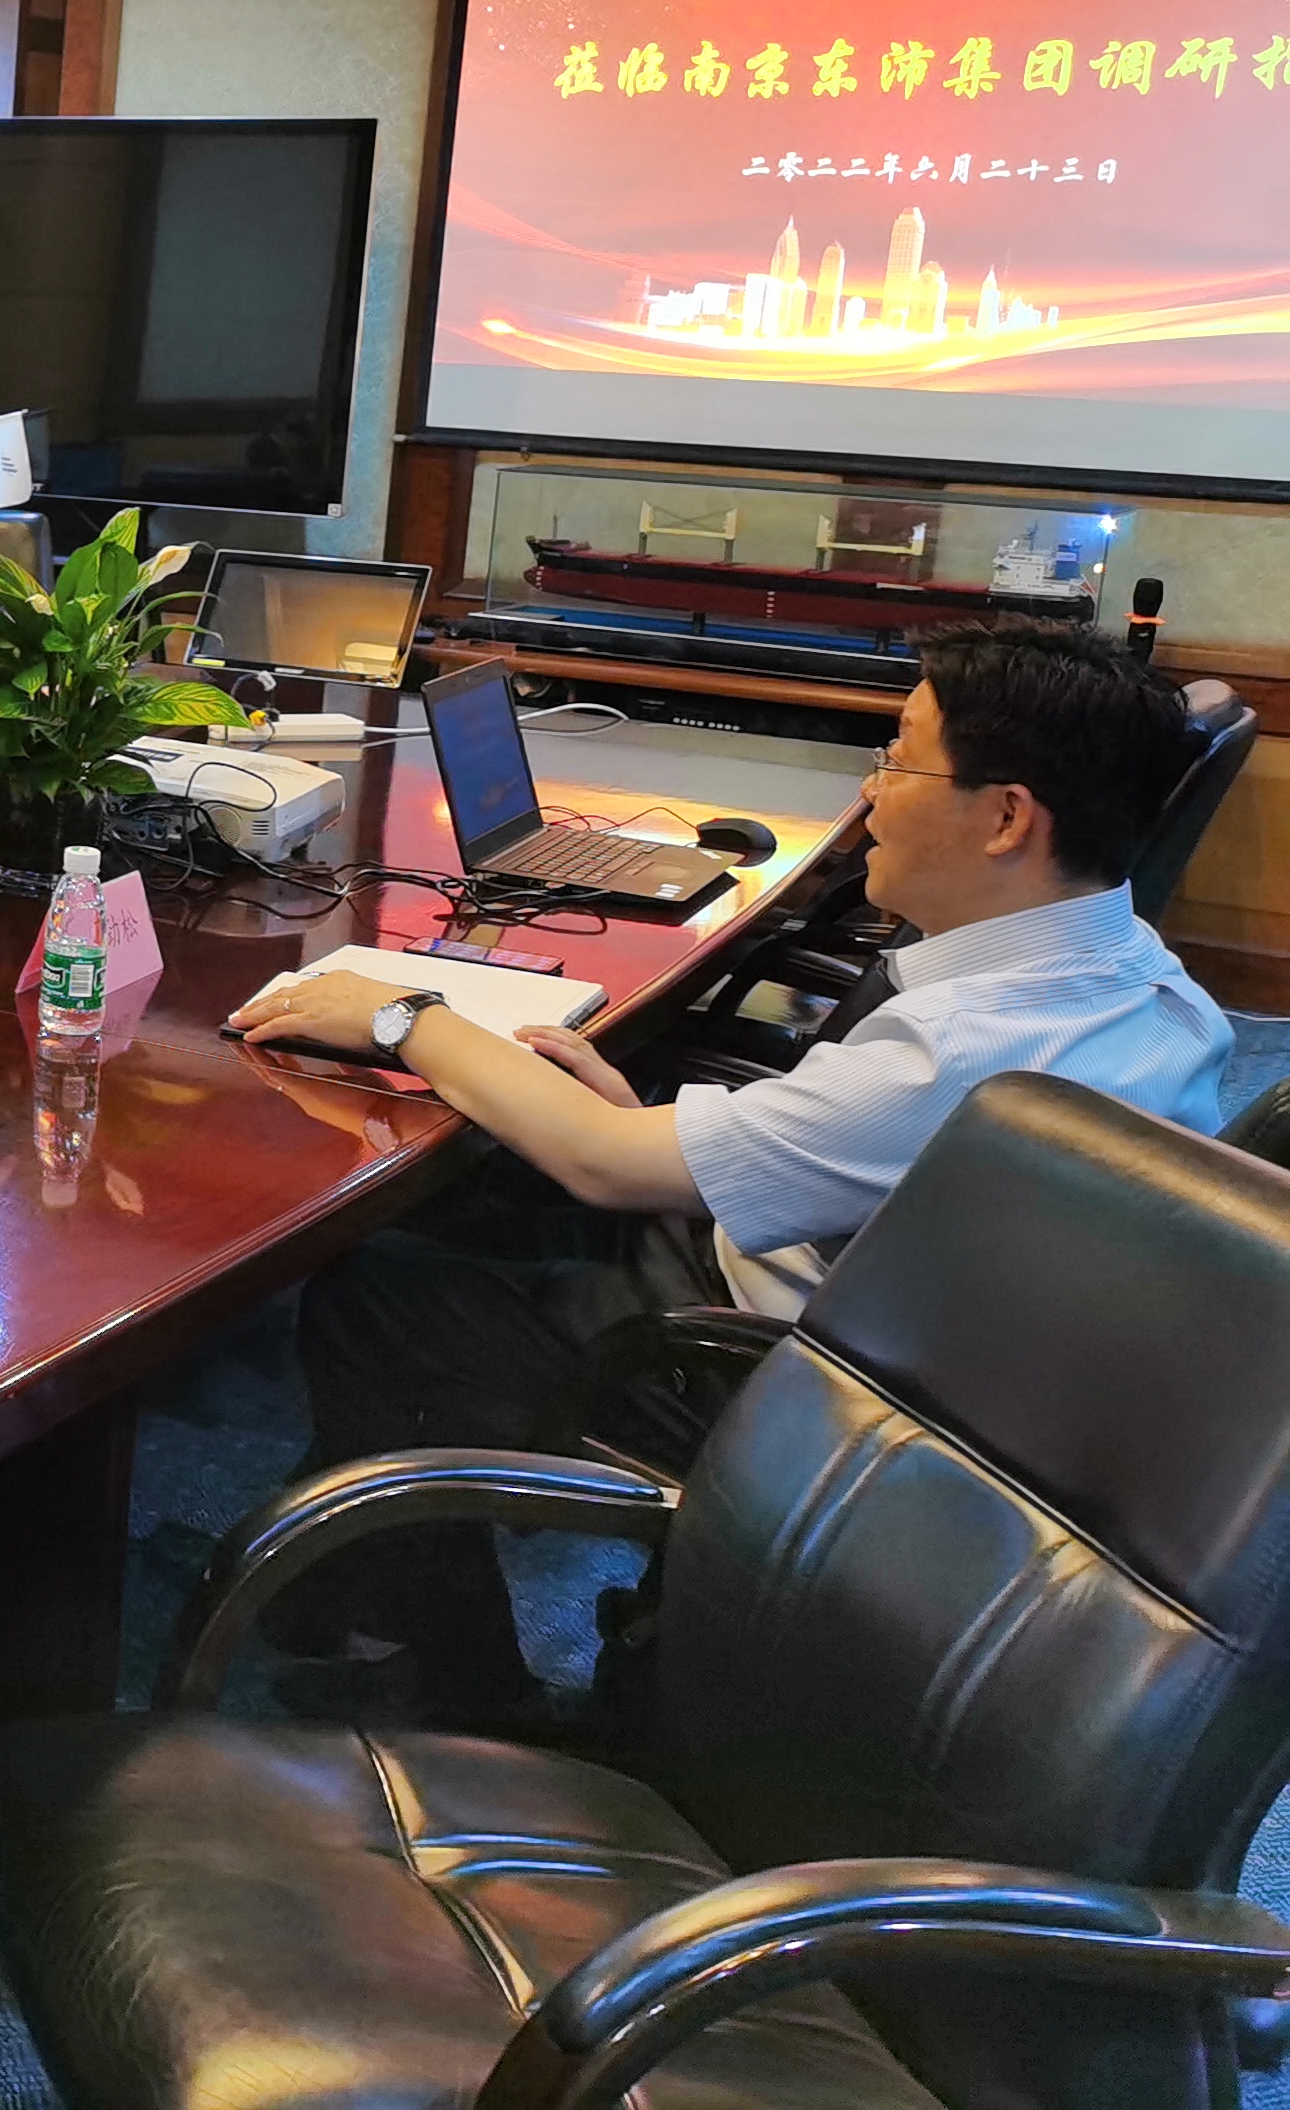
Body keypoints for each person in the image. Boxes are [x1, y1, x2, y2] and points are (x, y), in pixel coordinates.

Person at [230, 619, 1230, 1717]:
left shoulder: (968, 1052)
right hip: (929, 1344)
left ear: (1006, 818)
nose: (871, 792)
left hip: (800, 1385)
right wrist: (650, 1124)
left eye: (898, 759)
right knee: (493, 1181)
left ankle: (462, 1691)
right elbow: (847, 1146)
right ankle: (342, 1579)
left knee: (383, 1300)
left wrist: (399, 1017)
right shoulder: (1140, 978)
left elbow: (607, 1167)